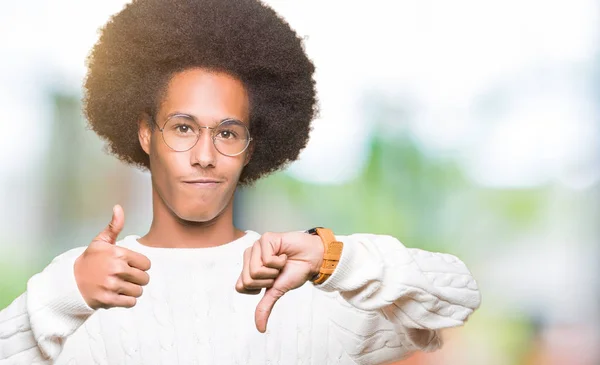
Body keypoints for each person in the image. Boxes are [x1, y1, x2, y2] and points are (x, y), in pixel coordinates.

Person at [0, 0, 481, 364]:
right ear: (146, 132)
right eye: (184, 128)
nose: (205, 156)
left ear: (252, 146)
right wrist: (66, 294)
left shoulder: (312, 287)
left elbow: (457, 298)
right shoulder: (82, 284)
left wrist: (332, 258)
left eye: (227, 133)